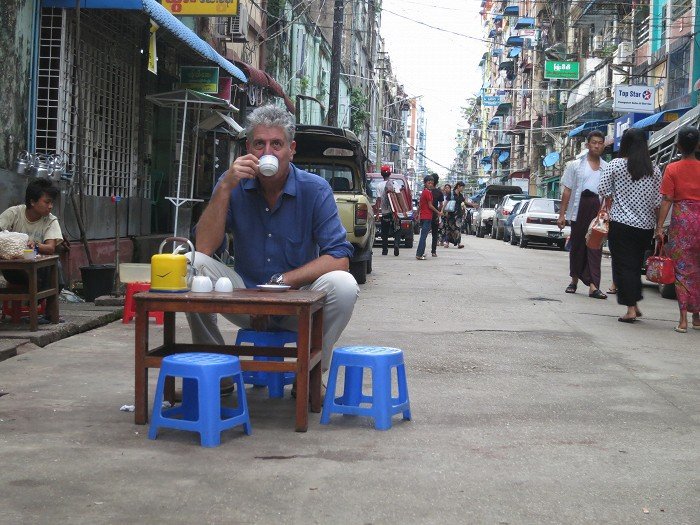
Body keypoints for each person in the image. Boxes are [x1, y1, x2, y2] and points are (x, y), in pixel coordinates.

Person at [186, 105, 359, 370]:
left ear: (292, 149)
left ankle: (311, 373)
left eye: (276, 144)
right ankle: (214, 365)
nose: (268, 153)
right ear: (248, 148)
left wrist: (279, 284)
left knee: (344, 284)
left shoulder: (314, 189)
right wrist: (223, 187)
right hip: (244, 299)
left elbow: (339, 258)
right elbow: (205, 247)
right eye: (260, 144)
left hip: (299, 303)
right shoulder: (232, 184)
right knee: (190, 262)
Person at [599, 128, 662, 323]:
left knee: (623, 266)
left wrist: (614, 197)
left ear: (624, 144)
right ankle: (635, 303)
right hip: (645, 227)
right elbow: (658, 201)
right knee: (634, 265)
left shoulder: (615, 165)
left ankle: (631, 308)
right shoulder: (654, 169)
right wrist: (659, 227)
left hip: (621, 224)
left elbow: (602, 189)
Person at [655, 126, 700, 333]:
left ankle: (683, 320)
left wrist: (659, 227)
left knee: (682, 270)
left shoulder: (672, 169)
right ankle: (697, 317)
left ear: (679, 145)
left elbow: (666, 200)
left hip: (682, 221)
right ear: (698, 145)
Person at [557, 130, 609, 299]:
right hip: (579, 208)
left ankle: (594, 286)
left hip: (598, 210)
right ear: (587, 145)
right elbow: (567, 191)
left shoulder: (606, 167)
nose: (597, 145)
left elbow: (609, 194)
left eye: (600, 143)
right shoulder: (575, 165)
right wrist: (562, 215)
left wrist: (606, 214)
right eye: (594, 142)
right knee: (578, 245)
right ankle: (574, 281)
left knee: (595, 246)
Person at [0, 179, 64, 287]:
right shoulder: (14, 213)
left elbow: (50, 248)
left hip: (39, 268)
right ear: (32, 201)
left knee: (55, 267)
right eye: (47, 202)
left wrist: (35, 245)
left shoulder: (50, 220)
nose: (50, 206)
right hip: (13, 267)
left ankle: (44, 301)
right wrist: (14, 240)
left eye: (52, 202)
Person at [415, 175, 441, 260]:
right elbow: (430, 205)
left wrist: (417, 213)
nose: (430, 184)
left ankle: (420, 253)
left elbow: (420, 204)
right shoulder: (427, 192)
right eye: (428, 183)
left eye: (431, 183)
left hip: (425, 216)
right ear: (425, 183)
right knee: (423, 236)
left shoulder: (425, 192)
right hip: (427, 216)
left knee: (424, 235)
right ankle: (419, 254)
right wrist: (438, 212)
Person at [377, 164, 400, 256]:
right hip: (395, 211)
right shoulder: (395, 183)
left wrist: (377, 213)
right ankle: (396, 243)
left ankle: (384, 250)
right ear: (390, 174)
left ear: (382, 174)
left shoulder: (379, 185)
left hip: (385, 212)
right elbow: (398, 196)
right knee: (397, 229)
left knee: (384, 231)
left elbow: (378, 200)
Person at [444, 181, 465, 249]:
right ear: (458, 186)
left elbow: (465, 202)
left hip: (458, 215)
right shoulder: (451, 194)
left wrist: (472, 205)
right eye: (462, 187)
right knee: (449, 229)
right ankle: (447, 243)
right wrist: (442, 211)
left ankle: (459, 243)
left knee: (458, 229)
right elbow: (446, 202)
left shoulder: (460, 195)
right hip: (450, 214)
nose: (462, 189)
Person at [430, 173, 444, 257]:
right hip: (434, 215)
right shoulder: (439, 192)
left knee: (424, 234)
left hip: (426, 214)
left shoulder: (426, 190)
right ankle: (433, 251)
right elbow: (441, 204)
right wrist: (438, 212)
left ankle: (421, 251)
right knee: (434, 234)